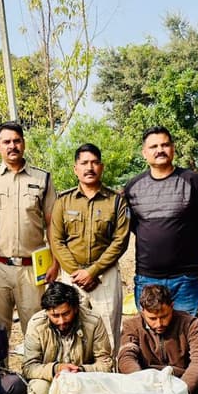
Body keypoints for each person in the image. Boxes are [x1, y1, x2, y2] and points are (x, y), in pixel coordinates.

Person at [0, 121, 57, 334]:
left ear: (24, 144)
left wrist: (55, 262)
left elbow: (52, 224)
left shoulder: (42, 178)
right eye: (7, 142)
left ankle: (35, 368)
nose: (12, 146)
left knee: (36, 329)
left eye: (17, 141)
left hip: (32, 268)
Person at [48, 143, 129, 346]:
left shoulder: (116, 201)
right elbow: (56, 240)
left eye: (94, 162)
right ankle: (76, 376)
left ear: (101, 167)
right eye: (84, 163)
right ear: (76, 168)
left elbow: (120, 241)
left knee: (109, 333)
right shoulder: (63, 201)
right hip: (71, 276)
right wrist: (78, 273)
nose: (89, 167)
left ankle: (109, 375)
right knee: (70, 331)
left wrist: (93, 272)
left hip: (105, 276)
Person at [125, 126, 198, 314]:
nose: (160, 150)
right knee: (150, 335)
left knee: (186, 335)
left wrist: (183, 242)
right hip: (147, 276)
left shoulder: (192, 181)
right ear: (144, 152)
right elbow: (134, 226)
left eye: (165, 144)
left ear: (173, 148)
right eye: (154, 146)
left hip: (184, 278)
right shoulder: (133, 187)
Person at [20, 281, 114, 394]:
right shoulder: (36, 324)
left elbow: (105, 363)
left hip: (84, 379)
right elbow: (29, 367)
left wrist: (80, 371)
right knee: (39, 390)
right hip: (51, 379)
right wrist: (56, 369)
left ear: (75, 308)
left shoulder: (93, 321)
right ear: (47, 312)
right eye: (55, 315)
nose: (61, 321)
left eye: (65, 314)